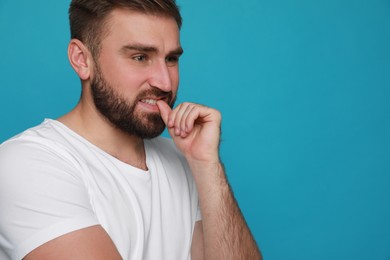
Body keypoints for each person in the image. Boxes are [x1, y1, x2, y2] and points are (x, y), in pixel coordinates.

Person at [0, 0, 262, 259]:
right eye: (140, 57)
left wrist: (207, 165)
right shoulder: (26, 164)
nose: (165, 82)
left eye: (171, 58)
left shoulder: (182, 160)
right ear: (82, 60)